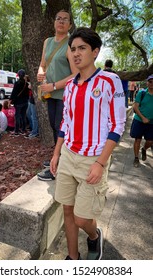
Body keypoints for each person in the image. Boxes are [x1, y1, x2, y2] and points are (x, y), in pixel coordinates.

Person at [50, 27, 126, 260]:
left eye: (81, 48)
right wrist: (56, 154)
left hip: (93, 158)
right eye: (72, 49)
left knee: (83, 218)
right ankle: (73, 258)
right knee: (67, 210)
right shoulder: (71, 85)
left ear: (95, 51)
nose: (75, 53)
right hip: (68, 155)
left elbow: (117, 125)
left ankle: (93, 236)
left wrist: (100, 163)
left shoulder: (110, 81)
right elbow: (66, 121)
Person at [37, 9, 78, 180]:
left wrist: (53, 86)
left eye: (65, 19)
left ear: (69, 24)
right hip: (50, 94)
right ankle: (58, 158)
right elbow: (42, 64)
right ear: (54, 22)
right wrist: (40, 73)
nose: (61, 21)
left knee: (61, 128)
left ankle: (60, 167)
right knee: (55, 127)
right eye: (58, 18)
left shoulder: (71, 44)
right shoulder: (47, 42)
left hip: (65, 95)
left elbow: (76, 74)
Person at [130, 74, 153, 168]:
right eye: (150, 81)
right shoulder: (142, 93)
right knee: (137, 139)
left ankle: (144, 149)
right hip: (139, 120)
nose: (151, 83)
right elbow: (135, 106)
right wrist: (143, 118)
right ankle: (136, 158)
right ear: (147, 83)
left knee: (150, 141)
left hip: (151, 123)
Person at [9, 69, 29, 136]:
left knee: (17, 116)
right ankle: (23, 129)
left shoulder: (17, 83)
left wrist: (10, 100)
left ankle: (16, 130)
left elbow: (13, 93)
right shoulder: (26, 84)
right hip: (25, 102)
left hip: (18, 103)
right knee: (23, 116)